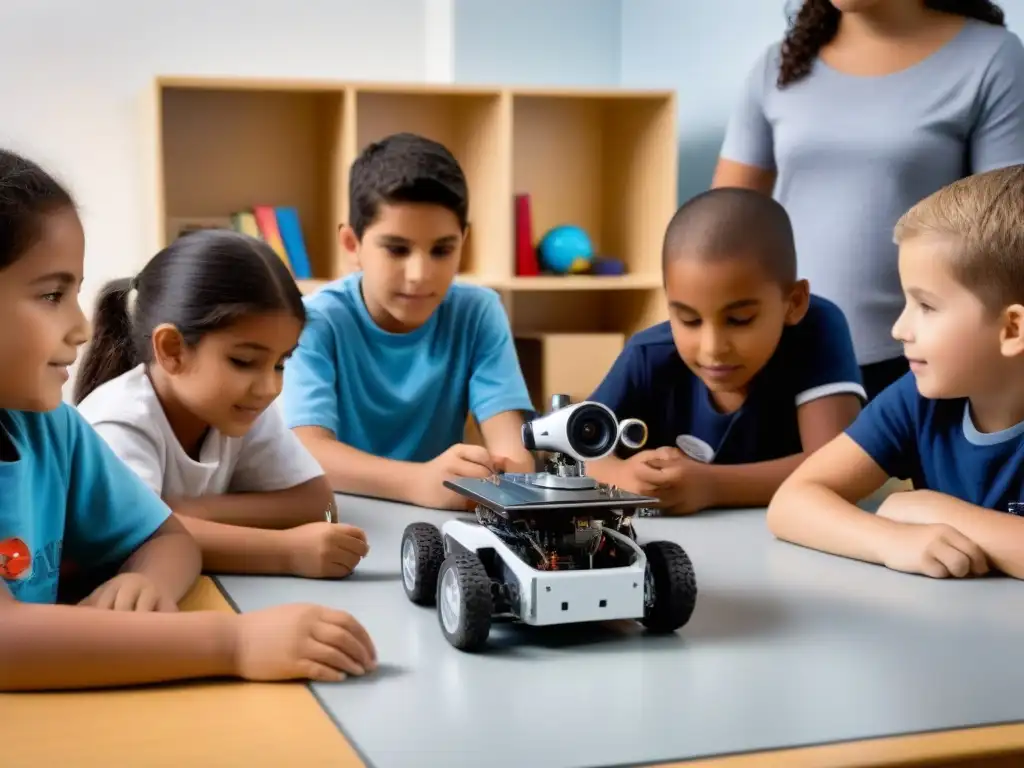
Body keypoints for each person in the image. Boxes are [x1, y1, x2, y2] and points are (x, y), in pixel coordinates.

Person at [0, 148, 375, 691]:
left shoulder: (54, 431)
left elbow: (169, 539)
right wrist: (236, 642)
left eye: (75, 294)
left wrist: (145, 583)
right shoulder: (106, 418)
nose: (80, 327)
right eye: (52, 295)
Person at [714, 0, 1024, 400]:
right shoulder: (779, 64)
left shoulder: (992, 58)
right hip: (783, 357)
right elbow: (722, 226)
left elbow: (1008, 230)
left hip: (918, 364)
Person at [767, 165, 1024, 581]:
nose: (900, 329)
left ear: (1012, 329)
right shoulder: (915, 401)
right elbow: (791, 503)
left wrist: (935, 512)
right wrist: (890, 540)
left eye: (926, 306)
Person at [73, 229, 370, 581]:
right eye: (243, 361)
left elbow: (317, 502)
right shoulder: (119, 420)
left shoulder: (238, 409)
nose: (270, 387)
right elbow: (137, 535)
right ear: (172, 349)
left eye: (280, 363)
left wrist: (187, 511)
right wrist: (287, 552)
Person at [281, 132, 535, 510]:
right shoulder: (315, 320)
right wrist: (418, 481)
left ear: (463, 242)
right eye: (397, 249)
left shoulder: (479, 312)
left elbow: (514, 457)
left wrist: (503, 473)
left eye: (442, 250)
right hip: (345, 516)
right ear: (352, 245)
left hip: (437, 518)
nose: (420, 274)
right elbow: (307, 451)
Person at [585, 187, 865, 514]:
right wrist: (619, 475)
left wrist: (712, 485)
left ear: (794, 302)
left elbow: (842, 467)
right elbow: (565, 449)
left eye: (739, 319)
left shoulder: (817, 330)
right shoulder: (649, 354)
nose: (713, 348)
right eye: (688, 319)